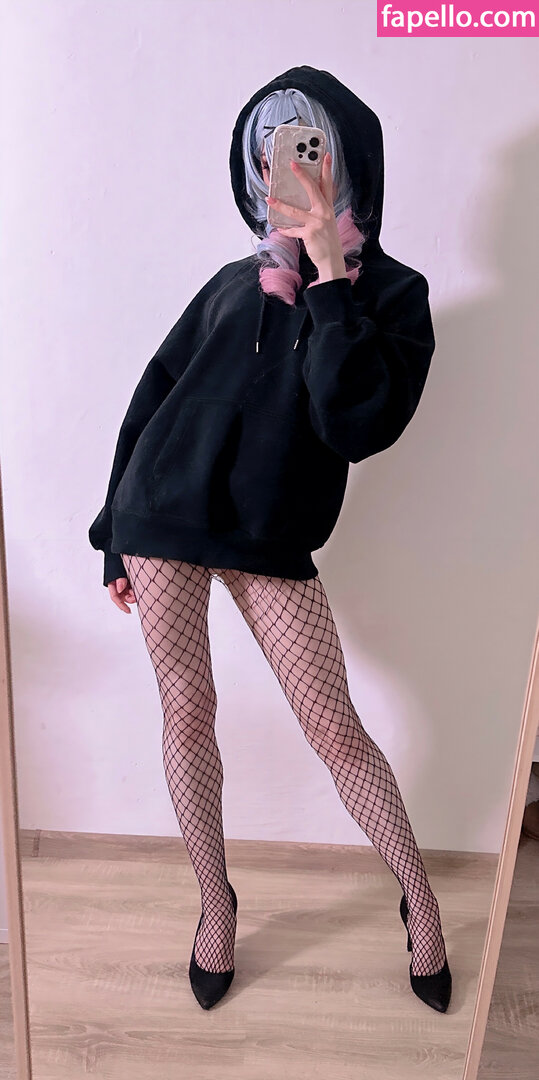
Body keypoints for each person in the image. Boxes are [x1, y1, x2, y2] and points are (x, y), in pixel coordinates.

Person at [88, 64, 451, 1012]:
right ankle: (215, 905)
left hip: (270, 533)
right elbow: (153, 396)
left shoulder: (392, 295)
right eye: (270, 152)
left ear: (346, 157)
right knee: (185, 711)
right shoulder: (229, 284)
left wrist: (328, 271)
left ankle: (419, 902)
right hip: (160, 516)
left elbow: (356, 423)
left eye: (307, 147)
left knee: (334, 729)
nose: (284, 167)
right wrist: (112, 534)